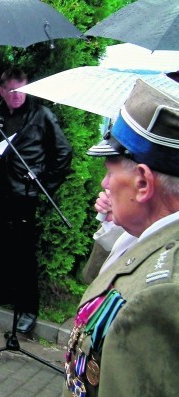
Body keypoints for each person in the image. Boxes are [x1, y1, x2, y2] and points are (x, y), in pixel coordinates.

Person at [62, 79, 179, 397]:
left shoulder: (158, 297)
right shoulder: (149, 239)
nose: (104, 182)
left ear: (142, 182)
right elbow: (98, 280)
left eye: (111, 171)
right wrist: (118, 225)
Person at [0, 68, 72, 334]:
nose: (17, 96)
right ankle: (1, 293)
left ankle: (28, 309)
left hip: (25, 195)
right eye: (11, 90)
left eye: (21, 89)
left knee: (24, 254)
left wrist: (45, 184)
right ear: (1, 91)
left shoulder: (41, 115)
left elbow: (63, 153)